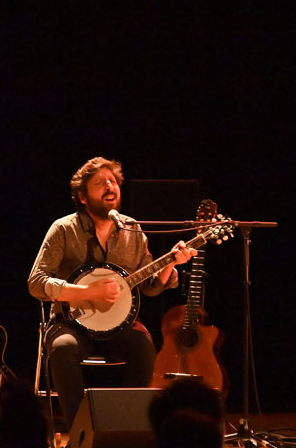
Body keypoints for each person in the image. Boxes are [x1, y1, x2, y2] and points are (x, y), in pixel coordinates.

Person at [28, 156, 196, 431]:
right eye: (100, 183)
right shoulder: (64, 229)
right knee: (62, 348)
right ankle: (79, 434)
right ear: (82, 197)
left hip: (120, 326)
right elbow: (36, 282)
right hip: (70, 323)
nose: (110, 187)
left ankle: (125, 430)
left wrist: (171, 264)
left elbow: (151, 287)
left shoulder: (131, 229)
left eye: (113, 182)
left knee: (143, 345)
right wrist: (87, 291)